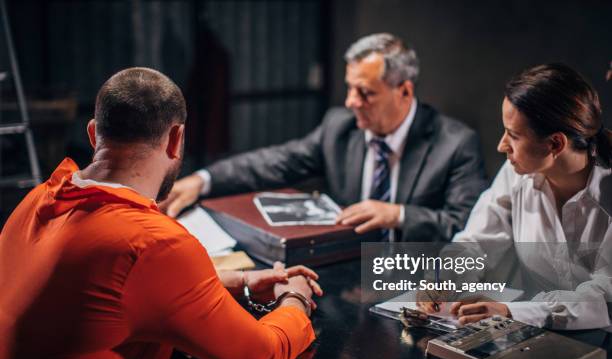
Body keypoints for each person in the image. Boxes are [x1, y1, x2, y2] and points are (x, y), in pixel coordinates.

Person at [0, 68, 323, 359]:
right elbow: (263, 357)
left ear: (94, 134)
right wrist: (296, 299)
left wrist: (240, 280)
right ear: (175, 138)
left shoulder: (36, 199)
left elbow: (108, 290)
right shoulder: (153, 242)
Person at [162, 33, 487, 242]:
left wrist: (398, 215)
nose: (350, 102)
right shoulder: (340, 126)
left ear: (404, 91)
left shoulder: (455, 144)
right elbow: (275, 162)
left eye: (365, 93)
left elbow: (466, 227)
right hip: (346, 272)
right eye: (349, 88)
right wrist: (201, 181)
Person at [420, 63, 612, 330]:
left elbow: (604, 298)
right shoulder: (517, 173)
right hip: (533, 340)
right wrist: (441, 279)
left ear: (555, 144)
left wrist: (511, 311)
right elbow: (476, 242)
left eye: (513, 135)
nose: (501, 145)